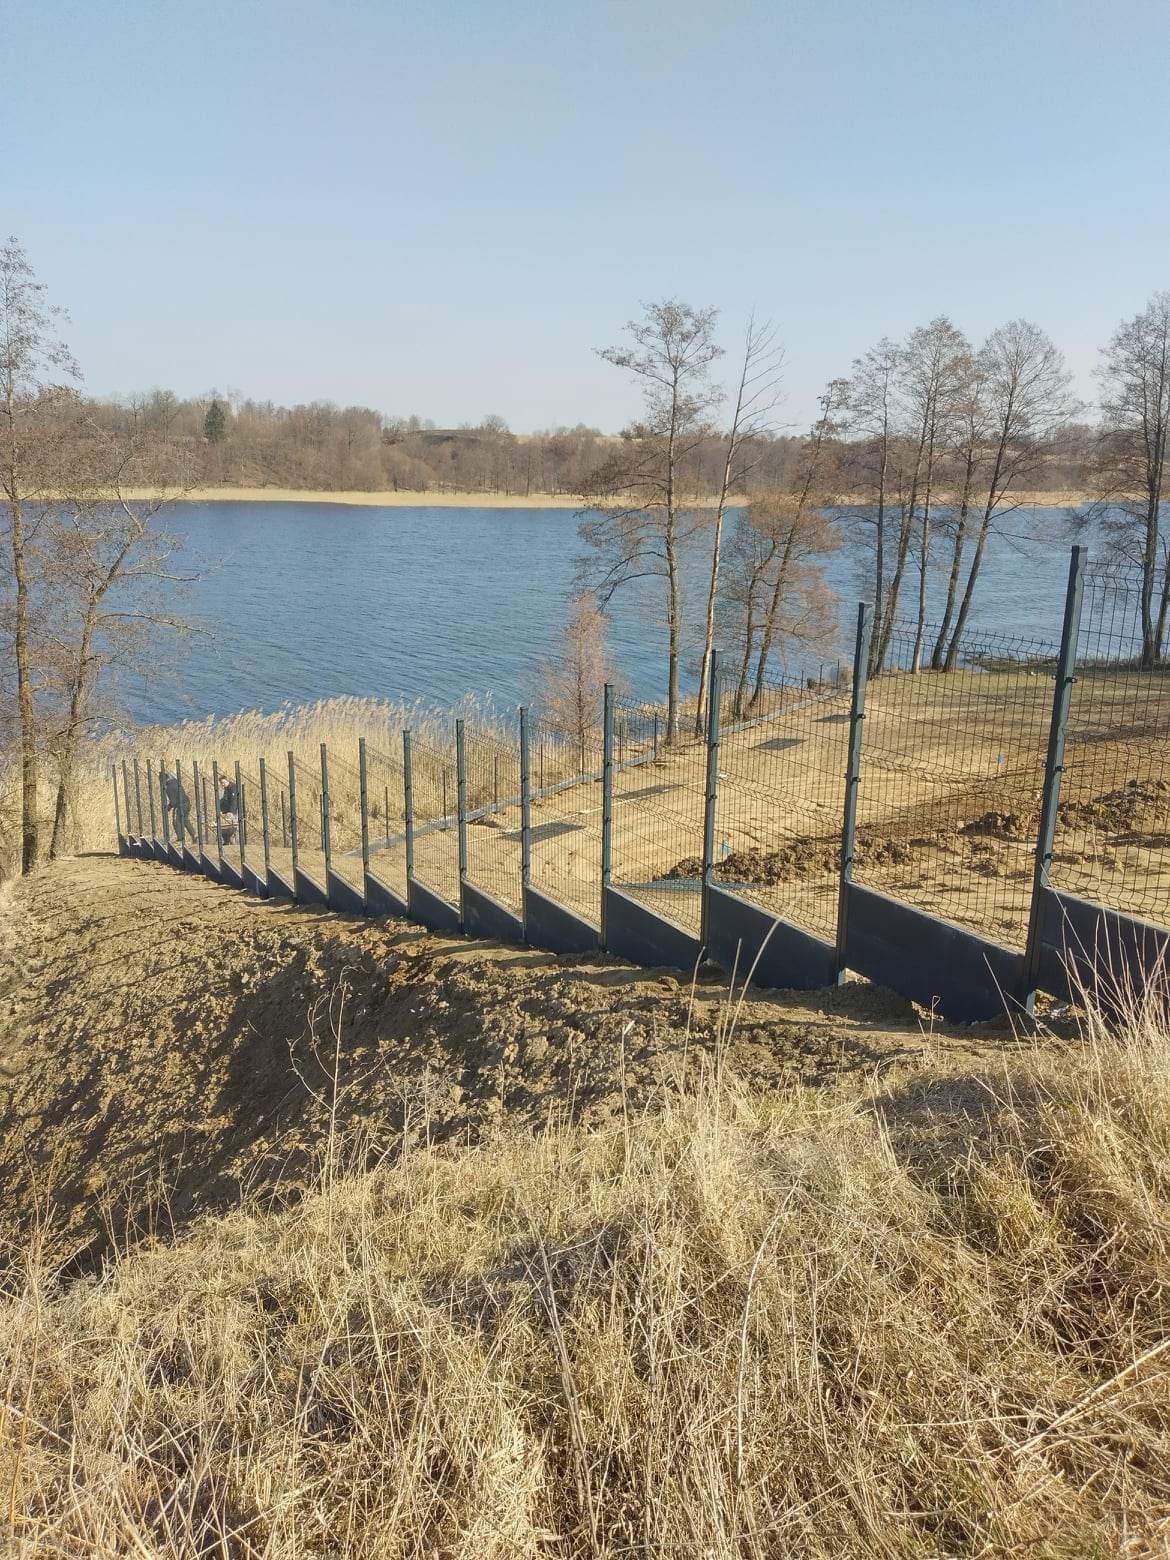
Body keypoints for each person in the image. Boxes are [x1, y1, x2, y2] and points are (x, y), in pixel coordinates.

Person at [162, 771, 193, 840]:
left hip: (180, 805)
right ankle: (194, 836)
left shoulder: (169, 788)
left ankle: (180, 838)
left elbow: (173, 802)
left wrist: (168, 808)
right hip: (187, 803)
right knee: (185, 820)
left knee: (176, 822)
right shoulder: (176, 782)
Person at [219, 774, 239, 846]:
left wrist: (231, 812)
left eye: (223, 782)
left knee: (231, 827)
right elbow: (224, 800)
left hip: (233, 811)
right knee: (225, 827)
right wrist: (221, 809)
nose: (222, 784)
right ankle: (227, 841)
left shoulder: (233, 788)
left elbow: (234, 801)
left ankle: (230, 841)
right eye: (221, 783)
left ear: (227, 781)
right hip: (227, 811)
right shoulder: (226, 789)